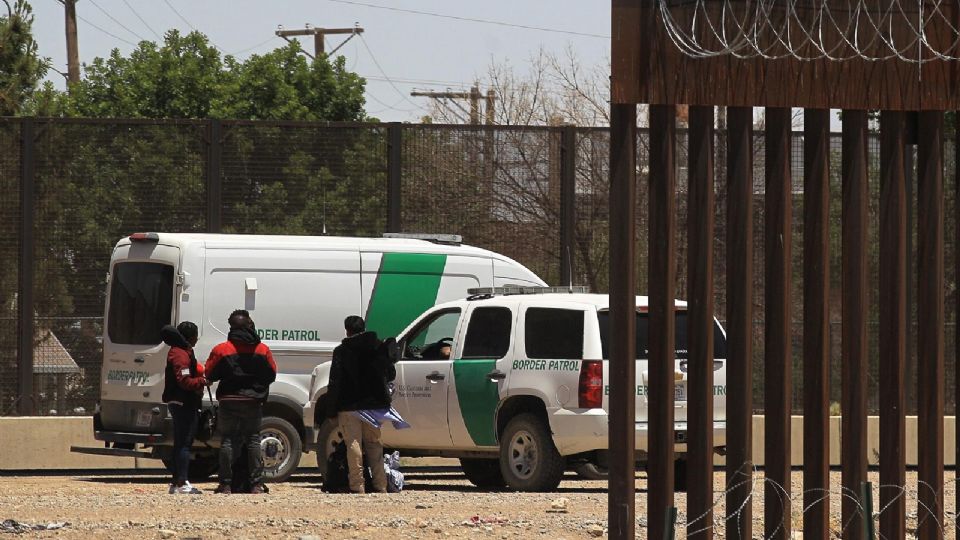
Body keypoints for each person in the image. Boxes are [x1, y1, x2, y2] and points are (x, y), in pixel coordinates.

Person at [204, 309, 277, 494]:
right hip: (253, 401)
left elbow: (210, 373)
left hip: (228, 400)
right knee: (253, 440)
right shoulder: (262, 349)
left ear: (231, 327)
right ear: (249, 325)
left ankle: (226, 484)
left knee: (227, 441)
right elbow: (272, 374)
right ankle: (256, 485)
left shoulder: (222, 349)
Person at [326, 315, 390, 494]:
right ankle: (380, 484)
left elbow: (335, 382)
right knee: (374, 444)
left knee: (353, 443)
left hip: (349, 406)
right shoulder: (379, 347)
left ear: (347, 330)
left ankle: (357, 485)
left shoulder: (342, 351)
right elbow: (389, 373)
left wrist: (330, 409)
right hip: (374, 405)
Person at [161, 321, 206, 495]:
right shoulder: (180, 354)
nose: (196, 340)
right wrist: (202, 381)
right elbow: (185, 381)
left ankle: (176, 482)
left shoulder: (178, 351)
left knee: (180, 443)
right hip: (183, 402)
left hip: (178, 402)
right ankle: (182, 483)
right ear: (190, 337)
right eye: (195, 336)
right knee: (184, 443)